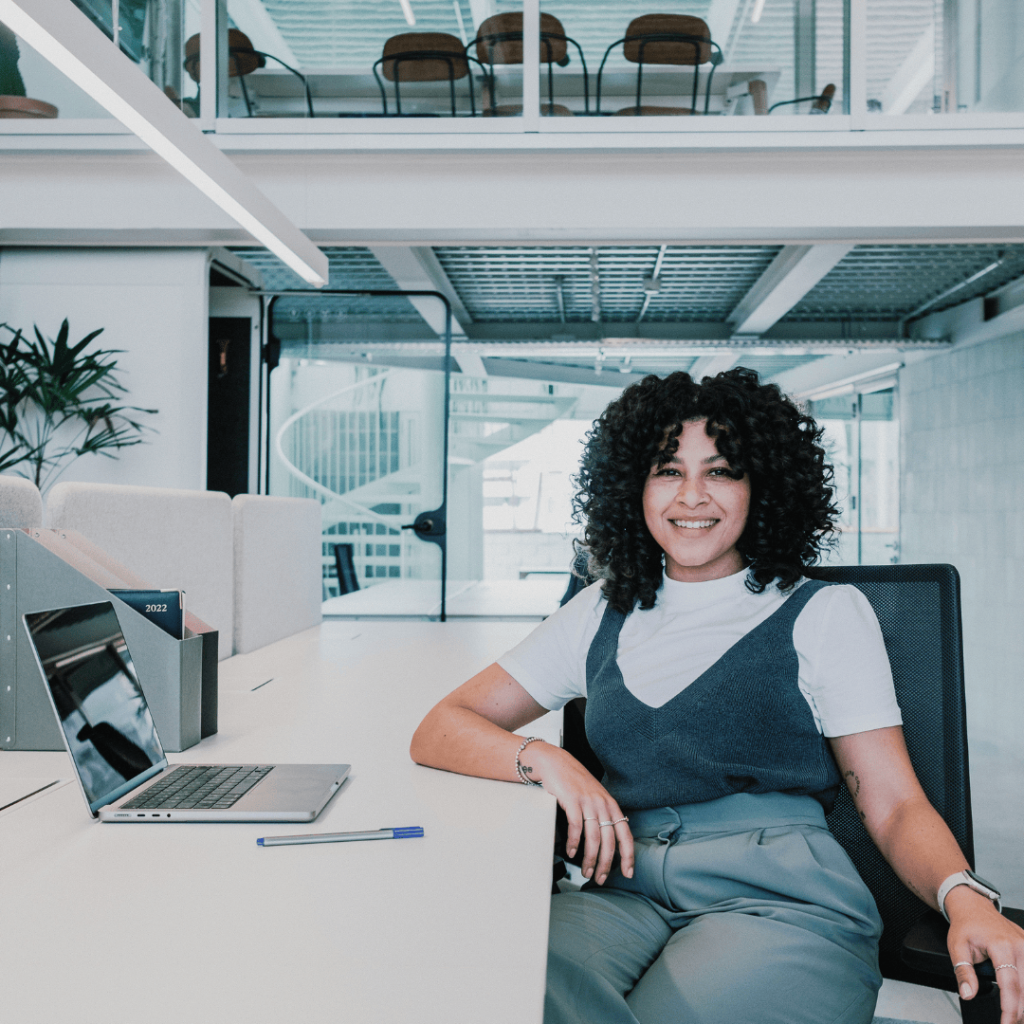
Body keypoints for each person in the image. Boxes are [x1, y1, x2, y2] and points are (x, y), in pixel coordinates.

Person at [410, 368, 1024, 1024]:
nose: (692, 496)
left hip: (779, 897)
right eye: (668, 470)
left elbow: (895, 805)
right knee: (506, 994)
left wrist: (963, 896)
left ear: (762, 487)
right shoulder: (598, 612)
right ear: (634, 486)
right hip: (624, 886)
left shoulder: (823, 613)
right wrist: (547, 759)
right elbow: (442, 725)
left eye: (722, 471)